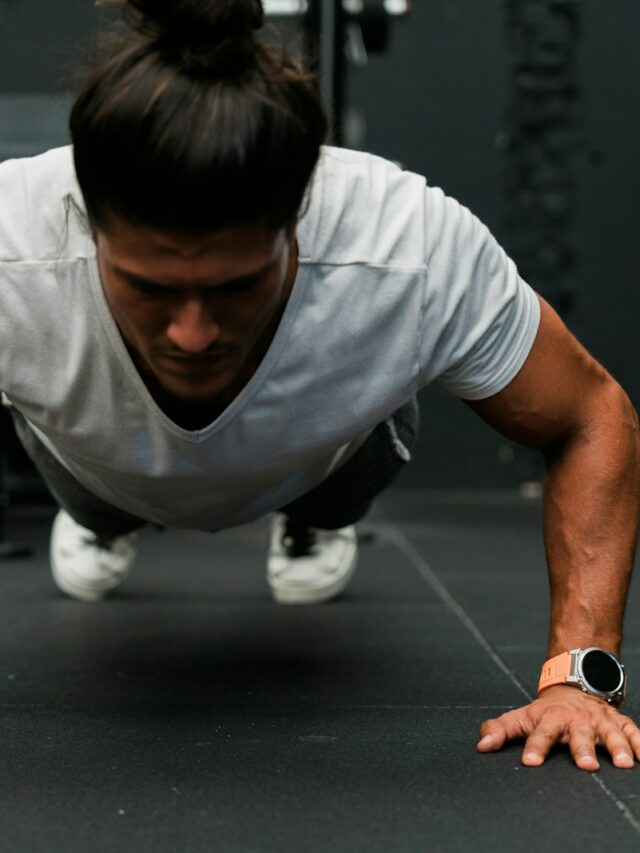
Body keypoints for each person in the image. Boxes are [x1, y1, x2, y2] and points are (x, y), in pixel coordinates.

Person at [1, 0, 638, 773]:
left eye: (235, 287)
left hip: (321, 458)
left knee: (357, 427)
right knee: (91, 470)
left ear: (300, 215)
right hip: (91, 459)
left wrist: (581, 678)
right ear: (85, 222)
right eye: (151, 288)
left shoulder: (407, 246)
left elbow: (589, 413)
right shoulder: (14, 243)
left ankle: (315, 516)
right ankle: (105, 516)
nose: (193, 333)